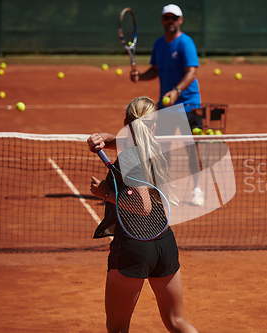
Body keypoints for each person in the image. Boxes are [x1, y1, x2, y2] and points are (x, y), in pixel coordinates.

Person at [87, 96, 198, 333]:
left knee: (117, 328)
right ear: (154, 126)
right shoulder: (156, 148)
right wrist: (107, 140)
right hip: (164, 242)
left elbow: (142, 205)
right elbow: (134, 144)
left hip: (134, 246)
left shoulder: (129, 156)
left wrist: (105, 193)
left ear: (126, 123)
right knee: (176, 321)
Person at [131, 4, 204, 206]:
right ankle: (163, 189)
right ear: (163, 20)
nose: (170, 21)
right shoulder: (159, 44)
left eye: (174, 17)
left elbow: (192, 72)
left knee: (192, 150)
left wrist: (176, 91)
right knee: (161, 150)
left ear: (180, 20)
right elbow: (155, 70)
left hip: (189, 104)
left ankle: (197, 189)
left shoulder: (185, 43)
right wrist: (140, 76)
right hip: (167, 107)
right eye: (167, 18)